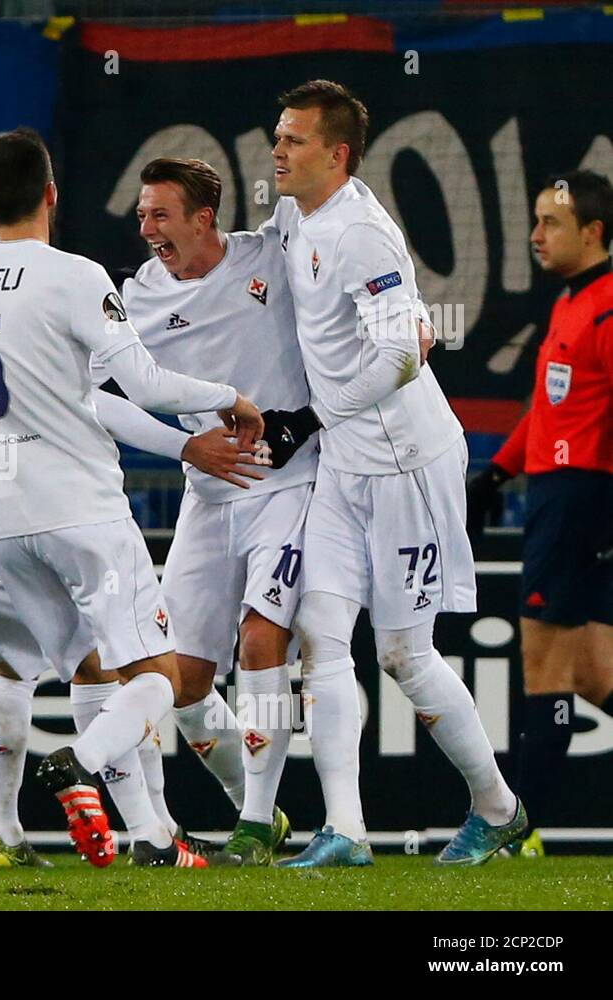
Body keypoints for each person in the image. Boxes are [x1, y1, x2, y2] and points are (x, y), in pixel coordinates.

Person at [0, 127, 262, 867]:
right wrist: (231, 397)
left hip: (1, 521)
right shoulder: (73, 275)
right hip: (79, 507)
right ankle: (81, 761)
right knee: (158, 677)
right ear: (50, 193)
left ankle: (155, 840)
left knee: (95, 670)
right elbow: (148, 386)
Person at [264, 80, 524, 867]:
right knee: (320, 636)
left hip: (406, 462)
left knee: (405, 655)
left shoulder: (363, 234)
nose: (276, 149)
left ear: (336, 154)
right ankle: (345, 830)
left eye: (294, 139)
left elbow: (406, 353)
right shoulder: (289, 214)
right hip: (344, 464)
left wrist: (307, 418)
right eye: (277, 135)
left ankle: (499, 807)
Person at [121, 157, 308, 865]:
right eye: (142, 215)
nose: (147, 229)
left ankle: (256, 826)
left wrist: (409, 313)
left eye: (160, 215)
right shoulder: (137, 298)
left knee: (263, 644)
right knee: (181, 680)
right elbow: (97, 390)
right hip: (207, 497)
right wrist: (182, 448)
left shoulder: (271, 256)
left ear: (204, 219)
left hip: (287, 486)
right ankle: (260, 812)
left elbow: (350, 250)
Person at [466, 170, 613, 858]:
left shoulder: (608, 307)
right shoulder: (572, 301)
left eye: (551, 222)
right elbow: (551, 407)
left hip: (581, 497)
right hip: (559, 490)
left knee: (542, 660)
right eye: (534, 220)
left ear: (594, 232)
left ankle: (515, 833)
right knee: (593, 675)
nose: (534, 235)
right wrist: (497, 470)